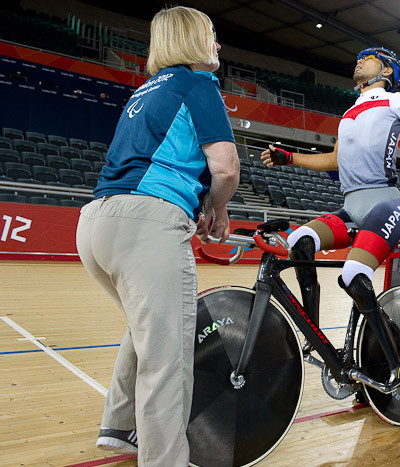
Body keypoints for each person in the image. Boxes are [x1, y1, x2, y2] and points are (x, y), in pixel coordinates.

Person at [75, 6, 239, 465]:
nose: (218, 45)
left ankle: (120, 426)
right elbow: (225, 166)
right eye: (212, 35)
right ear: (192, 39)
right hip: (146, 224)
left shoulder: (145, 90)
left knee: (146, 327)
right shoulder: (197, 83)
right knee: (168, 357)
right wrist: (217, 208)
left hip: (95, 223)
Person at [261, 46, 400, 391]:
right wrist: (289, 158)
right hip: (350, 206)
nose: (358, 60)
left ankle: (396, 369)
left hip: (384, 204)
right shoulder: (350, 112)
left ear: (386, 70)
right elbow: (335, 161)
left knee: (353, 275)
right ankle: (316, 334)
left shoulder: (394, 100)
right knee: (300, 241)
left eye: (367, 58)